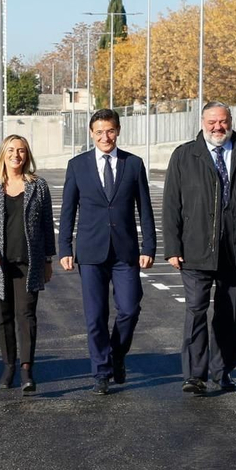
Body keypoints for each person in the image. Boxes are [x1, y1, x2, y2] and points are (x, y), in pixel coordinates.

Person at [163, 102, 236, 395]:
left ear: (231, 121)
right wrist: (172, 247)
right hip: (196, 249)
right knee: (196, 310)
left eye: (222, 122)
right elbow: (172, 203)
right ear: (202, 122)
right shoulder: (185, 155)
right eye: (212, 122)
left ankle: (222, 372)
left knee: (229, 313)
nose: (217, 128)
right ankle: (194, 375)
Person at [58, 109, 156, 395]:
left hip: (125, 252)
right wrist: (65, 247)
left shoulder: (133, 164)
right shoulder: (77, 165)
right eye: (99, 132)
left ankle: (116, 353)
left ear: (118, 130)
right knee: (95, 316)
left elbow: (146, 210)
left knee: (129, 308)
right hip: (90, 252)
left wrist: (148, 246)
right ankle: (100, 371)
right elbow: (67, 211)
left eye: (110, 131)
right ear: (91, 134)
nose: (105, 137)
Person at [0, 135, 55, 395]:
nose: (16, 155)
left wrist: (48, 260)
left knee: (27, 316)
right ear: (3, 154)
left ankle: (26, 369)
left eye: (21, 151)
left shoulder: (38, 186)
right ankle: (8, 365)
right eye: (11, 150)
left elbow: (46, 225)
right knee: (4, 316)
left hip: (29, 264)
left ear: (27, 155)